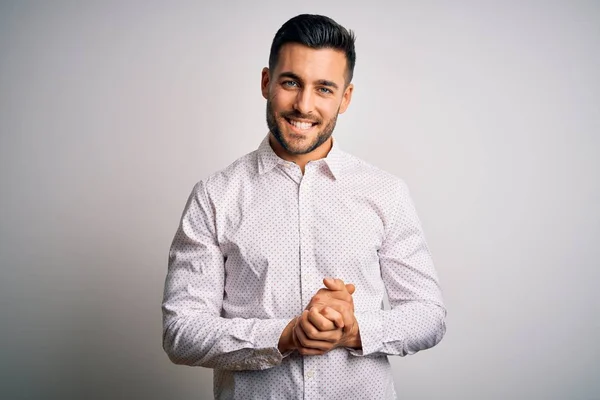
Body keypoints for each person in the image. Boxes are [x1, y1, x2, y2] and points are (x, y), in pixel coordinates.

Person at [162, 14, 446, 400]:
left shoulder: (385, 193)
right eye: (291, 82)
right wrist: (284, 335)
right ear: (266, 82)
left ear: (345, 98)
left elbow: (428, 316)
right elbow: (181, 332)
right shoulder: (214, 196)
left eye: (324, 88)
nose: (303, 105)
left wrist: (353, 329)